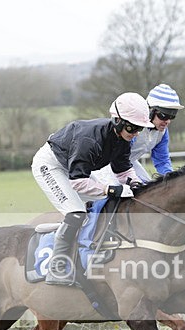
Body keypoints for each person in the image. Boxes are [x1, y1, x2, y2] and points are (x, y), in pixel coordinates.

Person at [32, 92, 153, 285]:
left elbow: (122, 170)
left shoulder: (123, 139)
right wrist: (110, 189)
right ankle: (57, 265)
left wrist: (135, 182)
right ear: (117, 121)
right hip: (51, 165)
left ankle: (98, 252)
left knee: (108, 204)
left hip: (75, 169)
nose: (136, 132)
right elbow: (78, 181)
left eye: (140, 128)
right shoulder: (89, 141)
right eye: (133, 127)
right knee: (76, 213)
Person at [91, 83, 185, 186]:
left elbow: (162, 160)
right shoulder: (132, 127)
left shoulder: (162, 132)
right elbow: (119, 157)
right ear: (150, 111)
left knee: (147, 189)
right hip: (107, 164)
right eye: (163, 116)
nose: (167, 121)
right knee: (113, 194)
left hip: (128, 163)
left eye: (172, 116)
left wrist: (171, 180)